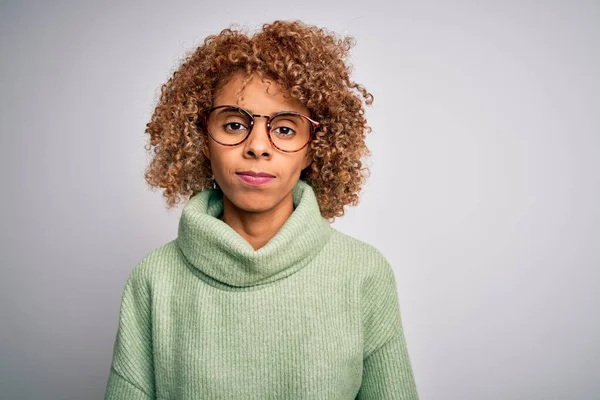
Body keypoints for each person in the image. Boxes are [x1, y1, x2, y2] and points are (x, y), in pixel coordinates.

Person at [104, 19, 419, 399]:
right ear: (201, 138)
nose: (258, 146)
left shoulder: (364, 274)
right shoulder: (154, 280)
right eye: (235, 124)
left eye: (285, 129)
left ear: (313, 148)